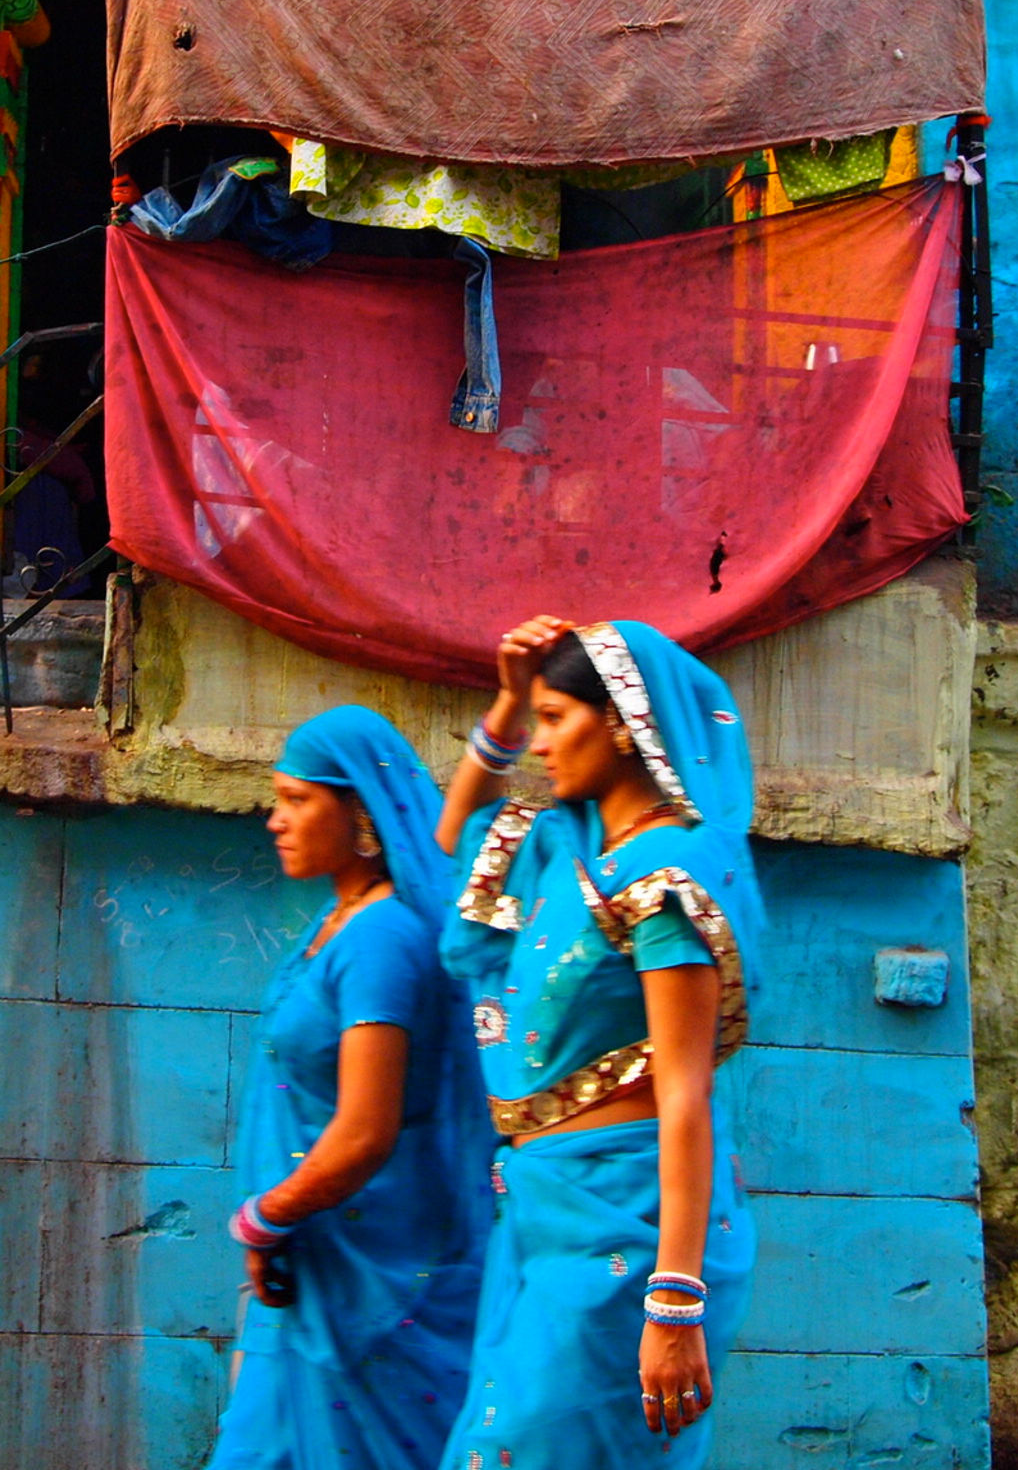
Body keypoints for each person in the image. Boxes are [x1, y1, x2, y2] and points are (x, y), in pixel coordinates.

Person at [433, 617, 766, 1469]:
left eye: (553, 720)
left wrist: (675, 1302)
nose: (538, 746)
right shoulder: (565, 850)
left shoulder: (665, 882)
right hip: (540, 1210)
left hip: (627, 1226)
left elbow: (683, 1092)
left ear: (620, 724)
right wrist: (505, 705)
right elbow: (447, 852)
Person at [207, 705, 492, 1470]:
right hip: (311, 1268)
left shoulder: (380, 940)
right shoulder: (340, 921)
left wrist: (265, 1220)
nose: (275, 820)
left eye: (298, 800)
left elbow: (366, 1131)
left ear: (359, 811)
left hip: (372, 1281)